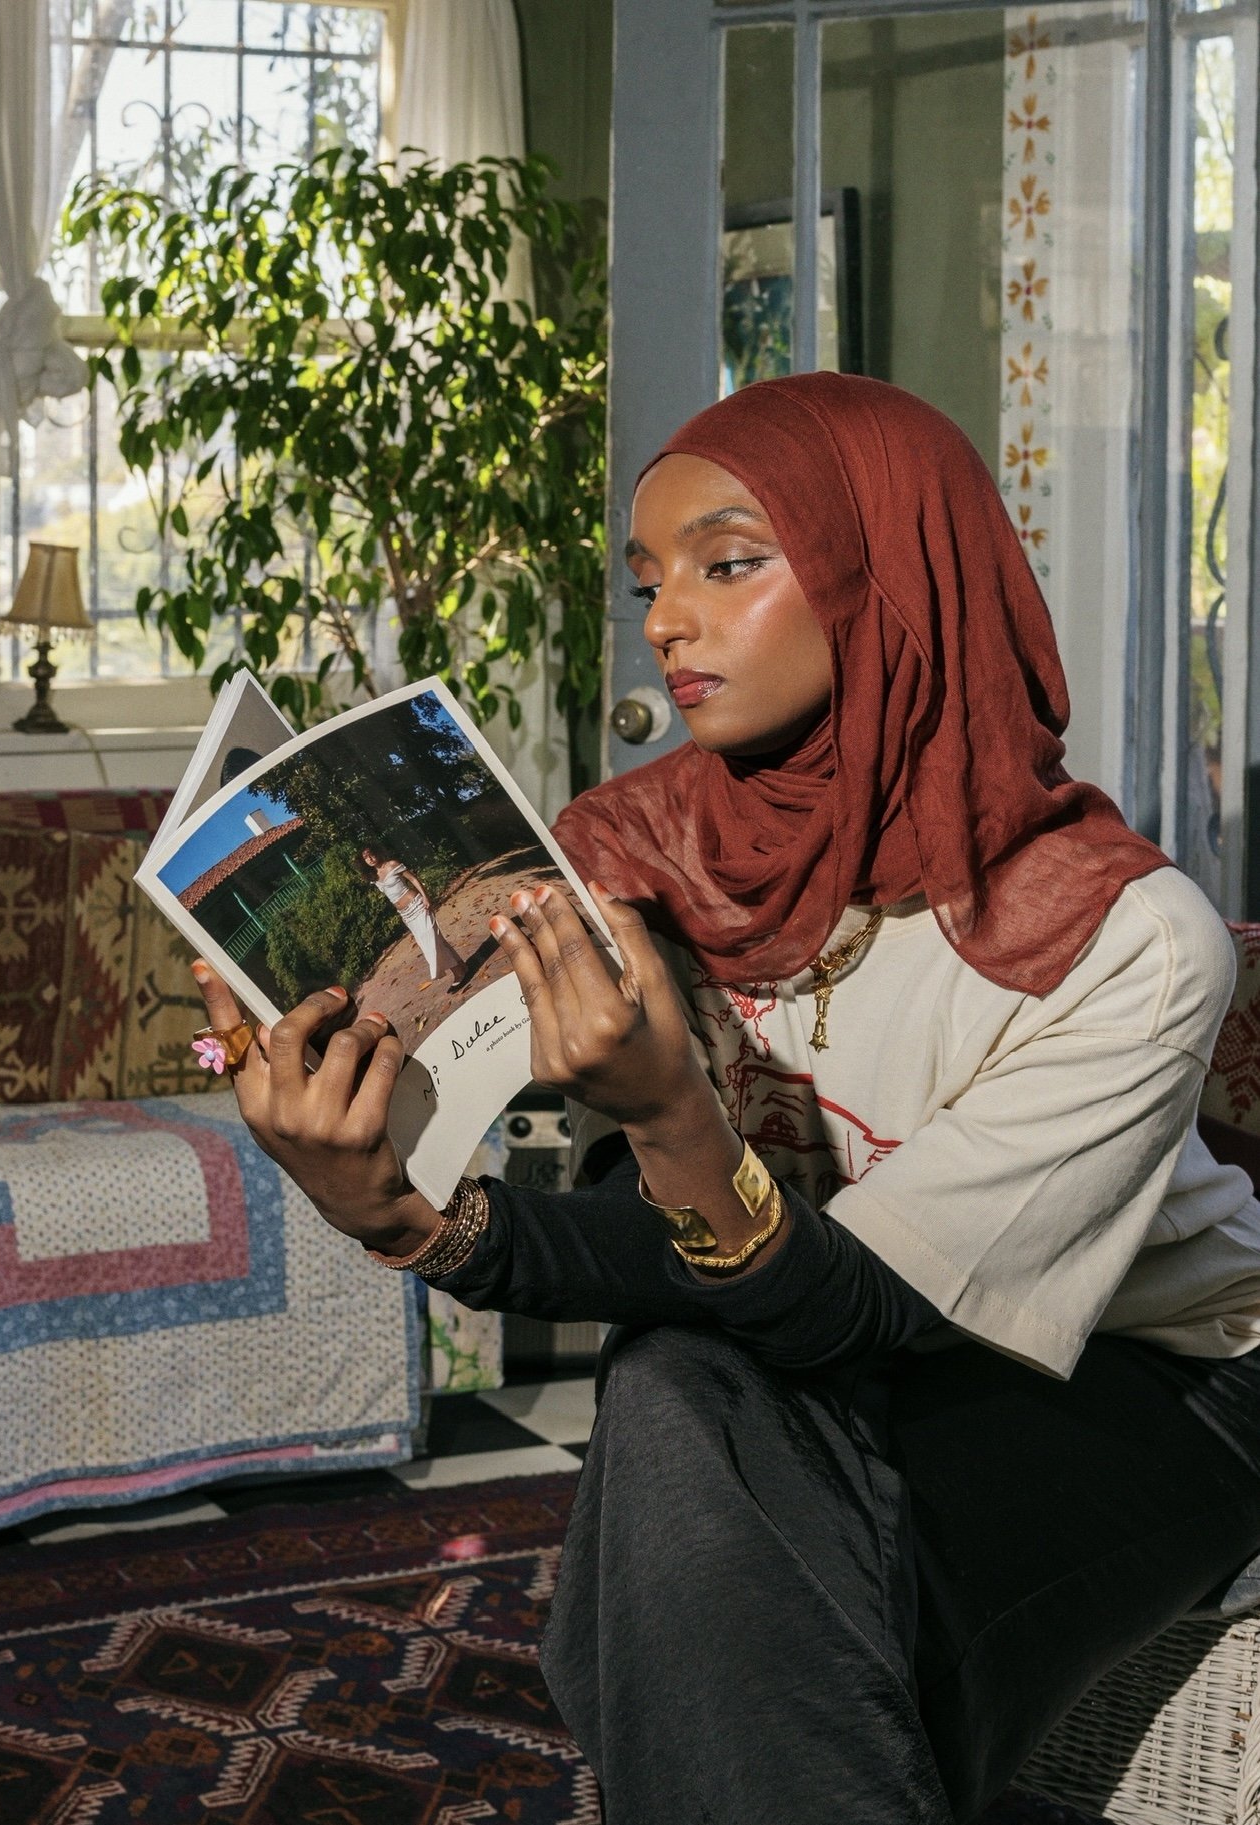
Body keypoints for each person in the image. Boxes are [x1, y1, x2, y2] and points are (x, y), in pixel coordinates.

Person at [191, 373, 1260, 1825]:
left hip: (1152, 1373)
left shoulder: (1127, 938)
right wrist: (399, 1211)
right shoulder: (628, 858)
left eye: (728, 562)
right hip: (807, 1333)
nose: (665, 621)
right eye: (649, 582)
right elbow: (667, 1256)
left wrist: (671, 1115)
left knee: (736, 1563)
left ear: (891, 578)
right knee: (674, 1392)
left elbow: (859, 1307)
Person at [361, 845, 464, 989]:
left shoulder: (392, 864)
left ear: (377, 853)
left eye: (371, 855)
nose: (370, 859)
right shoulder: (374, 877)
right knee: (433, 941)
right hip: (406, 914)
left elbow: (413, 879)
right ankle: (461, 966)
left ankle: (458, 973)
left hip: (417, 905)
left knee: (431, 940)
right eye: (366, 858)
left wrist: (425, 897)